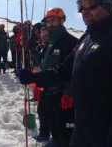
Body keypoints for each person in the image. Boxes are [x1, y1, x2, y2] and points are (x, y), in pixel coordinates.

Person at [18, 0, 112, 147]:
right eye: (80, 6)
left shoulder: (110, 38)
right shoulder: (87, 38)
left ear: (107, 4)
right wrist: (34, 78)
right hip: (83, 124)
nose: (84, 10)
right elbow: (64, 69)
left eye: (89, 4)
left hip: (104, 130)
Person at [21, 8, 78, 147]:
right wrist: (31, 49)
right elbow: (42, 62)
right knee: (50, 123)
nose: (50, 23)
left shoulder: (70, 41)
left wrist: (69, 93)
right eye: (48, 20)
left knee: (65, 131)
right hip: (47, 91)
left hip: (61, 94)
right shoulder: (49, 44)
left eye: (54, 20)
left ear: (62, 20)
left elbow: (73, 69)